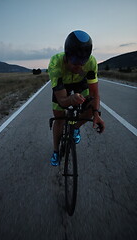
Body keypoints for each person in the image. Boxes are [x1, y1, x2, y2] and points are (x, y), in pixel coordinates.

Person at [48, 30, 105, 166]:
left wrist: (96, 113)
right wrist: (70, 99)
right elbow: (62, 100)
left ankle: (75, 128)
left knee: (91, 106)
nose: (78, 66)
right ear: (66, 55)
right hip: (62, 85)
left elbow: (94, 93)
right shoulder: (56, 63)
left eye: (82, 61)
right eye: (74, 61)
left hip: (80, 84)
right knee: (59, 118)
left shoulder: (91, 63)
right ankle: (56, 151)